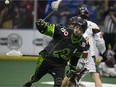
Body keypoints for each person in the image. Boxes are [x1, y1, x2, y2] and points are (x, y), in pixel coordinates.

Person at [22, 17, 89, 87]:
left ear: (83, 32)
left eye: (80, 29)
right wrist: (42, 26)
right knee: (35, 78)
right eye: (77, 27)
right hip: (46, 59)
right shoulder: (65, 32)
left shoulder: (82, 43)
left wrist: (72, 67)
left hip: (60, 64)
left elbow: (76, 56)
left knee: (58, 83)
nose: (77, 30)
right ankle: (28, 83)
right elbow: (47, 30)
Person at [61, 5, 106, 87]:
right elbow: (100, 41)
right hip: (88, 56)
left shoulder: (73, 24)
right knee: (95, 76)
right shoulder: (93, 25)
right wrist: (103, 52)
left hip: (75, 55)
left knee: (71, 77)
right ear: (87, 14)